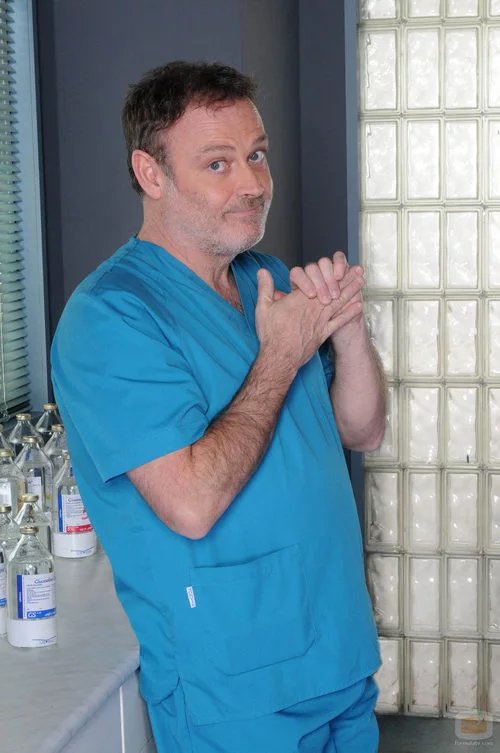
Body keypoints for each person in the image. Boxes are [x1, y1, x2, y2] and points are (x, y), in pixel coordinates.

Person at [51, 61, 386, 753]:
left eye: (257, 155)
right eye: (217, 163)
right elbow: (191, 502)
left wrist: (348, 330)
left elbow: (362, 429)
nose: (253, 183)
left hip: (338, 655)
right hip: (237, 687)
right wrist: (281, 355)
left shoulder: (266, 278)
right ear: (150, 173)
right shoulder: (111, 317)